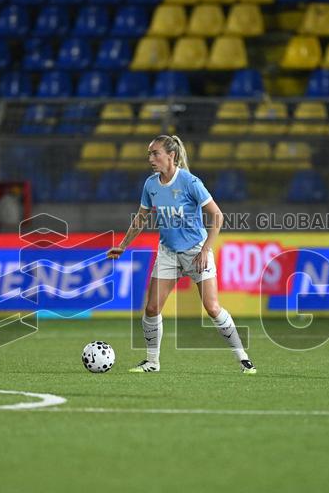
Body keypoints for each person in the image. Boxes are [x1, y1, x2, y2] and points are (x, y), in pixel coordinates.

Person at [106, 134, 256, 374]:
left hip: (196, 251)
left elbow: (217, 216)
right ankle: (152, 362)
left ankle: (243, 358)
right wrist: (123, 245)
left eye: (155, 153)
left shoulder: (189, 182)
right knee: (152, 308)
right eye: (149, 154)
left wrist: (206, 249)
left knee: (212, 307)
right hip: (168, 253)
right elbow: (140, 219)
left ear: (171, 155)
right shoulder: (151, 184)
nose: (151, 159)